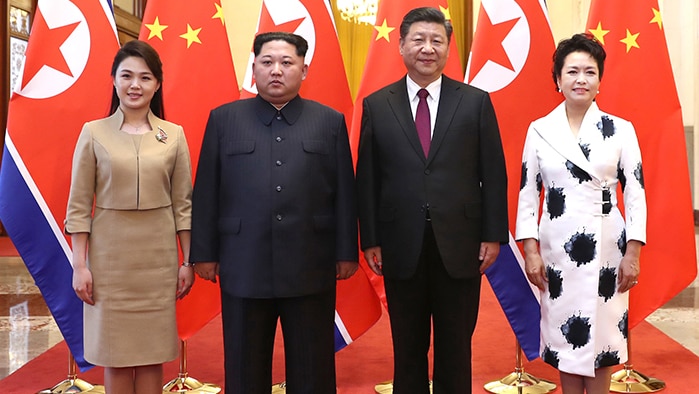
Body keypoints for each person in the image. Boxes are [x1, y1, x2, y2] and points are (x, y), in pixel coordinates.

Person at [189, 32, 358, 394]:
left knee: (313, 369)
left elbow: (344, 191)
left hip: (311, 263)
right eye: (267, 62)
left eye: (287, 63)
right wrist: (203, 253)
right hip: (243, 263)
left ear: (304, 69)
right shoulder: (224, 119)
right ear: (254, 68)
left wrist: (346, 252)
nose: (276, 71)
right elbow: (206, 191)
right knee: (244, 367)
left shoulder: (329, 122)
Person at [356, 7, 509, 393]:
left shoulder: (475, 101)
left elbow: (493, 173)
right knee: (407, 346)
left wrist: (493, 235)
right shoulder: (378, 104)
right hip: (399, 244)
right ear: (402, 45)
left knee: (455, 345)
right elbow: (368, 177)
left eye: (436, 40)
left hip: (460, 244)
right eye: (419, 40)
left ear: (447, 47)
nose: (428, 48)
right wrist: (370, 238)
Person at [516, 33, 646, 394]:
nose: (581, 79)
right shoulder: (540, 130)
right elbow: (528, 193)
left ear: (600, 80)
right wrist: (530, 251)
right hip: (558, 249)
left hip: (607, 248)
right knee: (565, 334)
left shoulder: (621, 130)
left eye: (590, 71)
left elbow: (635, 193)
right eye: (572, 71)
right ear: (558, 79)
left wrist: (633, 253)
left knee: (602, 335)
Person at [65, 40, 194, 393]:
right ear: (114, 80)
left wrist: (189, 261)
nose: (135, 85)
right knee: (116, 354)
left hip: (158, 262)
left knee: (153, 354)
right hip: (109, 262)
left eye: (145, 77)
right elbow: (78, 206)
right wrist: (80, 265)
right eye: (127, 76)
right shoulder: (93, 133)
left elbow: (183, 205)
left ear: (157, 84)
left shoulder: (174, 136)